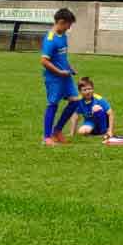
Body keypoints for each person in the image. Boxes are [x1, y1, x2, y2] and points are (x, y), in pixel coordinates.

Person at [41, 8, 83, 146]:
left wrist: (69, 67)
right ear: (61, 22)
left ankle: (57, 131)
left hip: (66, 76)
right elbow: (44, 61)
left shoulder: (63, 36)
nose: (69, 27)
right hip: (54, 78)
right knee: (53, 104)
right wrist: (59, 72)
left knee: (76, 101)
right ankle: (47, 137)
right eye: (69, 24)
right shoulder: (50, 39)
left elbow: (61, 56)